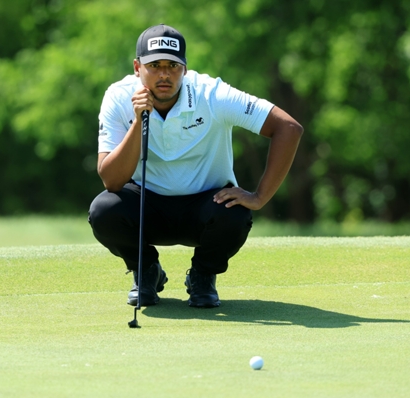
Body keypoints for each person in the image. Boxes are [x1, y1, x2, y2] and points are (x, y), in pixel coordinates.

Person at [88, 24, 303, 308]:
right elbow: (111, 181)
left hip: (206, 207)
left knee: (235, 215)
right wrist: (140, 121)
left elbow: (288, 127)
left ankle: (203, 274)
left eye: (173, 66)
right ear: (137, 67)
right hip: (145, 208)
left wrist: (259, 196)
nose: (164, 74)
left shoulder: (212, 94)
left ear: (185, 69)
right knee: (104, 210)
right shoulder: (119, 97)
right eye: (155, 65)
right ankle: (147, 270)